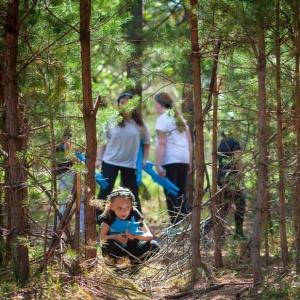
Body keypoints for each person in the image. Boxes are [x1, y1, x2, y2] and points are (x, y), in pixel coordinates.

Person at [95, 92, 151, 225]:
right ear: (118, 105)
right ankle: (98, 222)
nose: (125, 105)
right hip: (110, 162)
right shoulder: (112, 120)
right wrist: (98, 159)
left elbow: (147, 142)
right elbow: (102, 141)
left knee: (131, 195)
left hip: (130, 164)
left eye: (129, 102)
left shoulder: (140, 124)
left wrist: (144, 160)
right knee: (105, 192)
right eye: (122, 102)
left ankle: (137, 223)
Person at [153, 92, 193, 226]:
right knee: (181, 191)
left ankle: (176, 225)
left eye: (155, 104)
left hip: (170, 160)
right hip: (183, 158)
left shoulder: (162, 119)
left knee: (171, 192)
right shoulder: (179, 118)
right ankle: (185, 223)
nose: (154, 107)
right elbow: (189, 142)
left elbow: (162, 143)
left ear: (160, 104)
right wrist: (189, 162)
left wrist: (158, 164)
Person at [99, 187, 160, 266]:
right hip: (116, 249)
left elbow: (149, 236)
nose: (123, 211)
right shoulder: (109, 215)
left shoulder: (134, 212)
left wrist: (135, 236)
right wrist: (115, 236)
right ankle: (115, 267)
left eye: (127, 207)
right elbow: (101, 238)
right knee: (108, 243)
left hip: (133, 247)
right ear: (111, 207)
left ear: (131, 206)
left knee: (154, 245)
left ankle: (135, 265)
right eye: (119, 208)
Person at [216, 130, 246, 240]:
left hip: (221, 178)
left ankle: (204, 232)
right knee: (241, 205)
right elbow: (238, 162)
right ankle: (238, 235)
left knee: (223, 208)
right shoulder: (235, 143)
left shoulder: (221, 144)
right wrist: (241, 179)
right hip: (232, 178)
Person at [55, 131, 85, 235]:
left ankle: (57, 233)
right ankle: (82, 233)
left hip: (62, 173)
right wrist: (83, 165)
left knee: (65, 203)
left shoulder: (57, 134)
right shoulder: (66, 133)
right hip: (69, 173)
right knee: (80, 203)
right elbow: (69, 154)